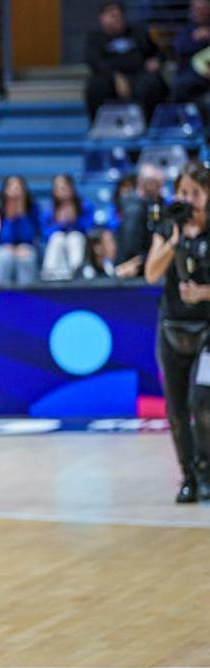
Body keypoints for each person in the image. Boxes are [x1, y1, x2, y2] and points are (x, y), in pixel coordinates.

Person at [143, 162, 210, 503]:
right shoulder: (168, 226)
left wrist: (203, 293)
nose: (188, 199)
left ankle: (206, 470)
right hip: (171, 326)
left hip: (207, 329)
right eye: (183, 192)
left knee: (201, 401)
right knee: (176, 408)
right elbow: (151, 274)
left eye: (195, 193)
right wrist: (174, 240)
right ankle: (188, 476)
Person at [84, 1, 167, 121]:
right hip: (110, 78)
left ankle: (148, 124)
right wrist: (115, 77)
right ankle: (98, 125)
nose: (117, 19)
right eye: (112, 16)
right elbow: (95, 62)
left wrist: (156, 60)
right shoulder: (95, 38)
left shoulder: (138, 33)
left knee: (151, 83)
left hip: (139, 75)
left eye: (119, 15)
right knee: (95, 86)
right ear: (102, 18)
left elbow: (158, 53)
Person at [40, 174, 95, 281]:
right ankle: (49, 275)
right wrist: (61, 224)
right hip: (57, 244)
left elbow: (89, 228)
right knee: (57, 238)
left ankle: (78, 272)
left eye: (65, 187)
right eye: (58, 187)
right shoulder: (49, 210)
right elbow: (45, 234)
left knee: (74, 237)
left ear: (72, 188)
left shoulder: (85, 206)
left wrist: (74, 222)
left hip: (80, 243)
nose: (62, 190)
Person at [0, 175, 41, 285]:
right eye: (11, 186)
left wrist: (22, 214)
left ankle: (29, 297)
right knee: (5, 256)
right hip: (3, 247)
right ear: (5, 190)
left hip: (26, 247)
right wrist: (10, 218)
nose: (15, 190)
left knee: (26, 257)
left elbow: (31, 236)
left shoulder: (32, 209)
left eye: (18, 187)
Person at [171, 0, 210, 103]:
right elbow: (181, 48)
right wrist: (198, 40)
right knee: (180, 84)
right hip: (192, 72)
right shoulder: (186, 29)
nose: (200, 12)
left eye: (203, 9)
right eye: (197, 9)